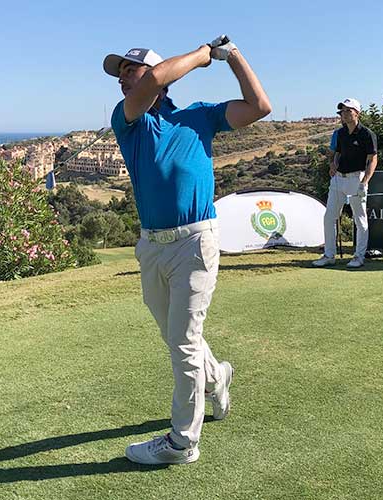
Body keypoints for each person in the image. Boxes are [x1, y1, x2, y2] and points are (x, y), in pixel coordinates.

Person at [103, 36, 271, 465]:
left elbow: (259, 107)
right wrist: (202, 55)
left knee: (182, 340)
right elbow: (153, 81)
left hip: (196, 241)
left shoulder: (201, 117)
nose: (123, 78)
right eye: (119, 72)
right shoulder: (130, 121)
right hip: (152, 247)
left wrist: (232, 56)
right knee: (177, 337)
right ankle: (218, 375)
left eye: (129, 69)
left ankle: (182, 442)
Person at [312, 98, 378, 268]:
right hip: (338, 179)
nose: (344, 114)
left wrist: (364, 182)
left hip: (357, 178)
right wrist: (333, 164)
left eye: (348, 111)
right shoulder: (340, 133)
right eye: (342, 111)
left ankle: (358, 256)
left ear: (357, 113)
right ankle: (329, 255)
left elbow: (372, 160)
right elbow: (336, 154)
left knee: (360, 219)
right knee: (329, 218)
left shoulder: (367, 134)